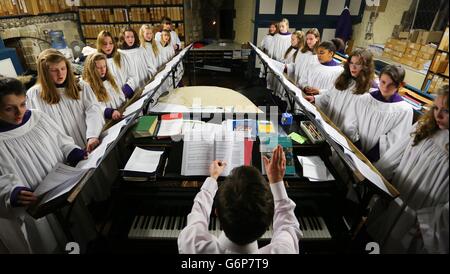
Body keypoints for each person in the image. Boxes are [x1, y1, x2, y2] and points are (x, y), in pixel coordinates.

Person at [0, 77, 85, 253]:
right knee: (49, 241)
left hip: (59, 187)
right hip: (31, 202)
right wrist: (10, 193)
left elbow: (61, 140)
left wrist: (71, 150)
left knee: (74, 229)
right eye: (9, 109)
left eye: (23, 104)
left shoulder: (37, 117)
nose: (19, 113)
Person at [367, 85, 449, 254]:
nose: (438, 115)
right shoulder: (424, 126)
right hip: (396, 197)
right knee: (376, 240)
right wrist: (378, 182)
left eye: (446, 111)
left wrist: (434, 223)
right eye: (436, 108)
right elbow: (394, 156)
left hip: (422, 214)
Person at [178, 145, 301, 254]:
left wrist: (213, 177)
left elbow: (197, 215)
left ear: (217, 213)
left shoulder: (191, 244)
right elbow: (288, 226)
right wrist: (277, 181)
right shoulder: (285, 250)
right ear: (270, 222)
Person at [27, 49, 104, 152]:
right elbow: (42, 127)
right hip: (62, 150)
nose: (60, 74)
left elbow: (93, 109)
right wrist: (68, 150)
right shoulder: (35, 95)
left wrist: (93, 135)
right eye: (54, 70)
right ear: (44, 72)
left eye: (63, 68)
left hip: (90, 140)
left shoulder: (81, 86)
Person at [345, 65, 414, 162]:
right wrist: (356, 147)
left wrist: (369, 158)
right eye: (383, 82)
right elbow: (351, 123)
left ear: (401, 85)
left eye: (391, 84)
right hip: (353, 149)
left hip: (375, 160)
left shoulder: (404, 110)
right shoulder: (364, 99)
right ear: (378, 79)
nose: (385, 88)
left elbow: (394, 139)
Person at [307, 48, 375, 134]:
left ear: (366, 67)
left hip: (343, 133)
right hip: (328, 123)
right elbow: (329, 96)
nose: (353, 67)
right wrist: (315, 99)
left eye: (358, 64)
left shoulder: (368, 90)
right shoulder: (343, 78)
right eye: (351, 63)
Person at [82, 52, 125, 121]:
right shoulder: (88, 87)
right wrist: (110, 112)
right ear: (92, 69)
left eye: (104, 66)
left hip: (120, 115)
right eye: (98, 68)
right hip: (107, 122)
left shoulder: (111, 80)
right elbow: (94, 107)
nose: (103, 70)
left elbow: (121, 96)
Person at [96, 30, 138, 99]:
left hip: (128, 94)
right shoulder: (98, 62)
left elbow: (133, 75)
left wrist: (128, 88)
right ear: (99, 45)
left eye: (110, 43)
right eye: (105, 44)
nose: (108, 46)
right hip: (112, 100)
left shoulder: (122, 56)